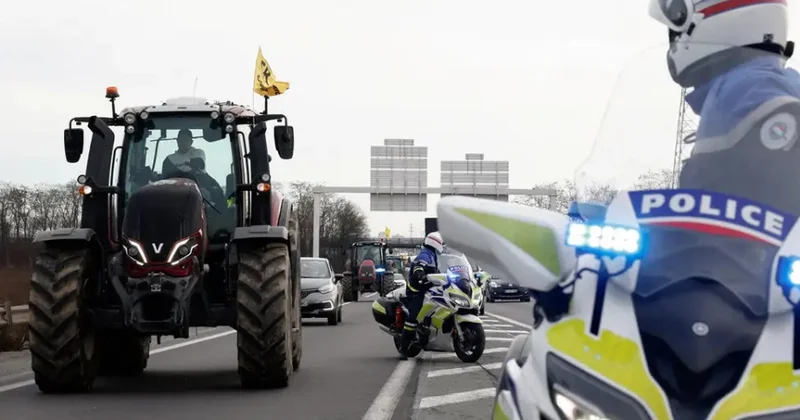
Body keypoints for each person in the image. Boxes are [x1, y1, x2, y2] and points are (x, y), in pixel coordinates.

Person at [648, 0, 799, 211]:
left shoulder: (748, 88)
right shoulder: (766, 82)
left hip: (747, 244)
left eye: (676, 32)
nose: (675, 42)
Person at [399, 231, 444, 360]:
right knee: (412, 320)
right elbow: (419, 266)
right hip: (416, 292)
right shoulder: (425, 254)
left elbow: (437, 272)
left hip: (427, 290)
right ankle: (404, 349)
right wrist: (420, 274)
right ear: (436, 244)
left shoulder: (433, 256)